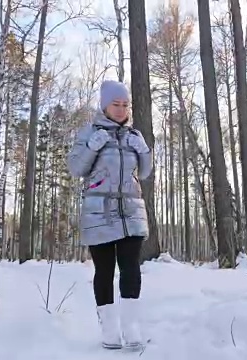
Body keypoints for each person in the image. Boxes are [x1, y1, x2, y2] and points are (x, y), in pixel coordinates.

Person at [67, 80, 153, 349]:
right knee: (104, 271)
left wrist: (145, 151)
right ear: (105, 105)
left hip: (130, 210)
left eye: (125, 105)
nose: (121, 109)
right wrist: (92, 147)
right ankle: (109, 330)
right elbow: (76, 168)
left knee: (131, 268)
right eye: (116, 104)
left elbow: (146, 172)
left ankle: (131, 327)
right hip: (99, 212)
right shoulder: (89, 132)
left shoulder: (133, 135)